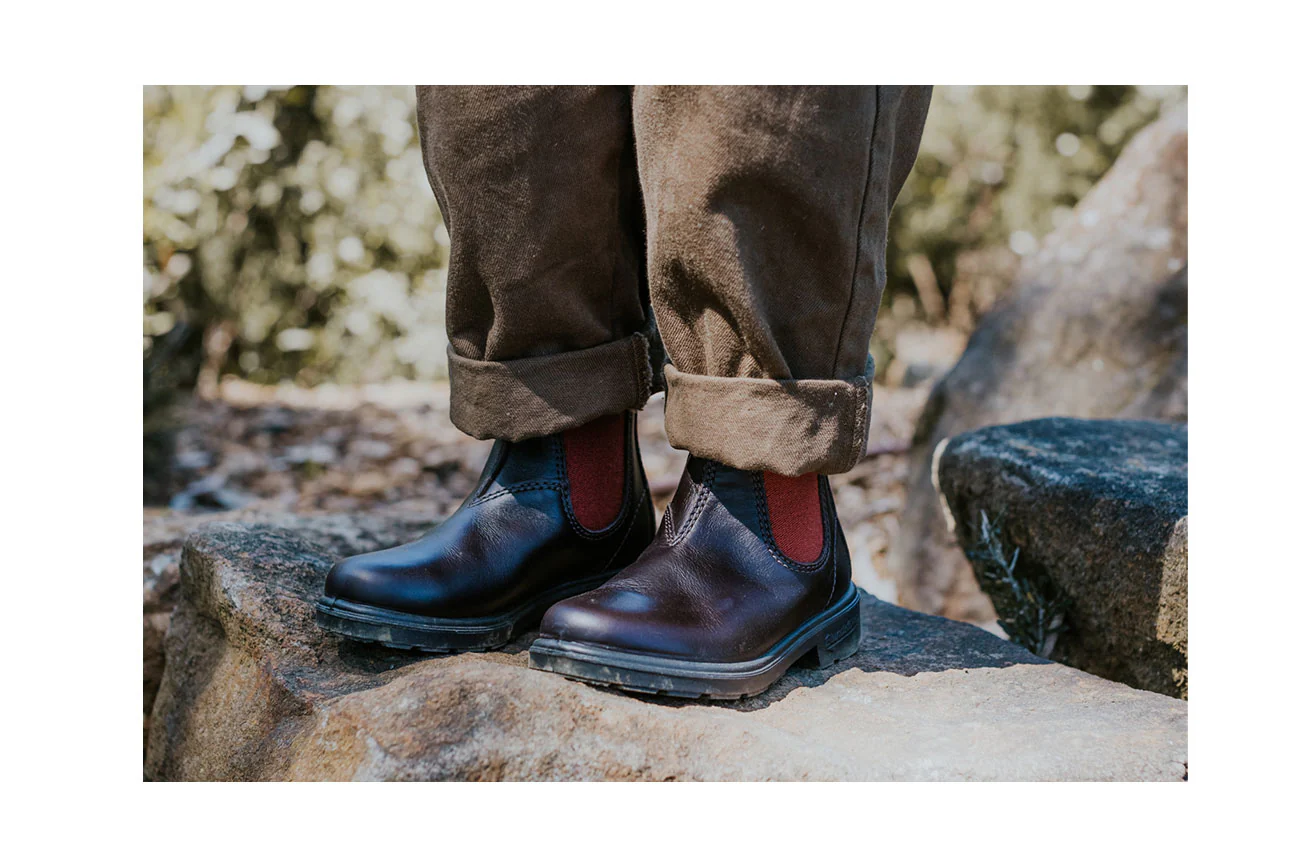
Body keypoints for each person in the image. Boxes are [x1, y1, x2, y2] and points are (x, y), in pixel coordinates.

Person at [315, 86, 932, 699]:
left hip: (768, 522)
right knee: (511, 101)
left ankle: (780, 531)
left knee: (745, 102)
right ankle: (576, 504)